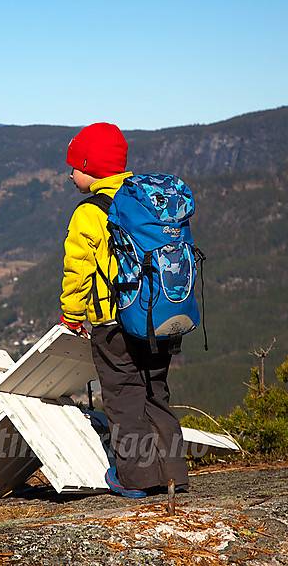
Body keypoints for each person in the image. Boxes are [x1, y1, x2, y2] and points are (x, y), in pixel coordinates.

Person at [59, 122, 189, 498]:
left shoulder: (90, 212)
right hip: (157, 316)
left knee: (122, 397)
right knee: (155, 392)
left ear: (92, 168)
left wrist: (71, 313)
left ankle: (134, 478)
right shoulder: (146, 200)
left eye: (75, 167)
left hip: (112, 323)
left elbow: (77, 269)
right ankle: (173, 474)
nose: (71, 174)